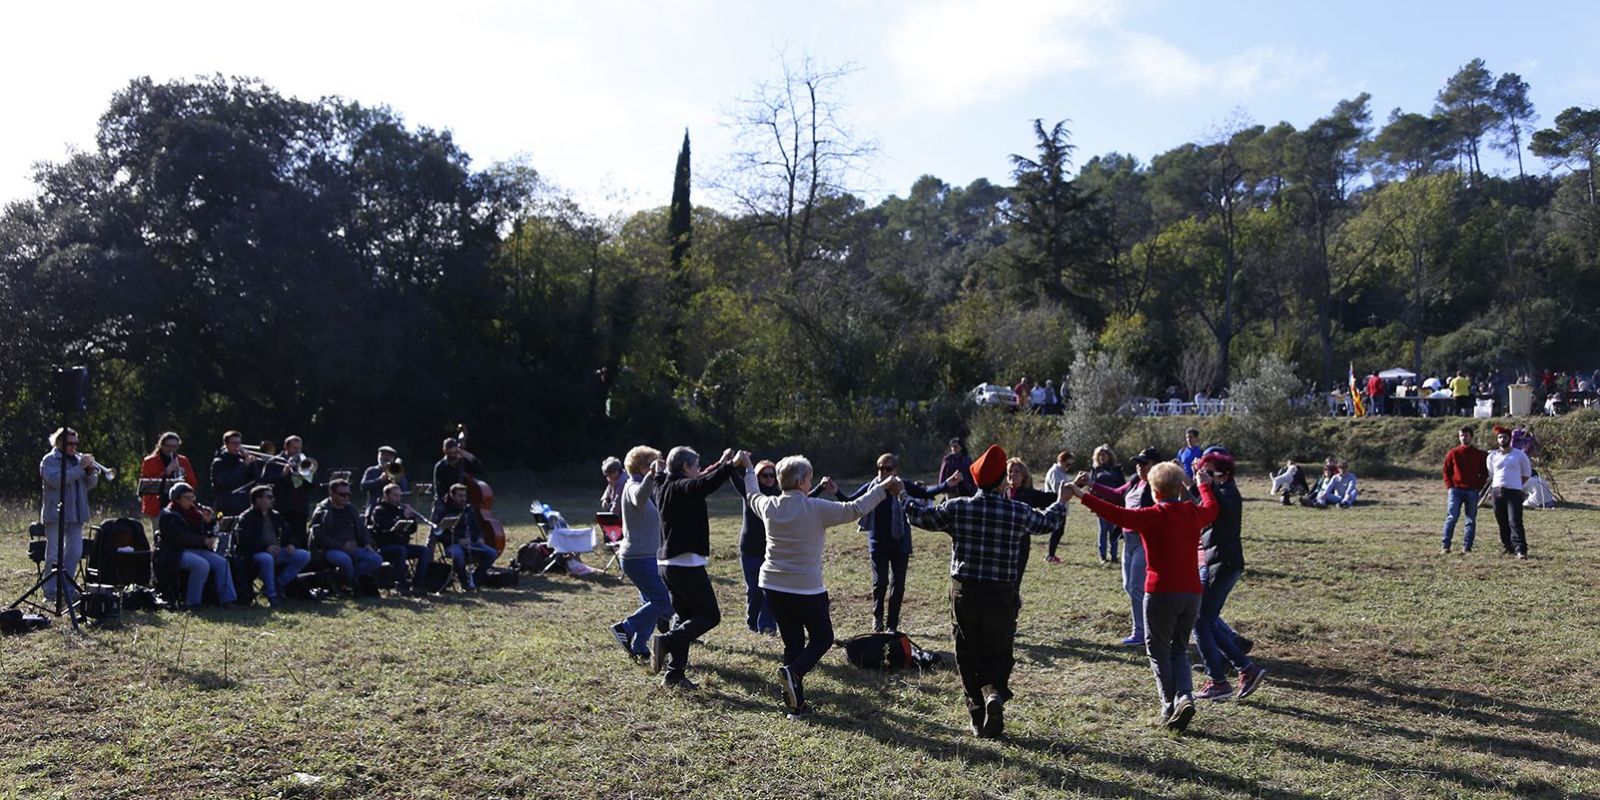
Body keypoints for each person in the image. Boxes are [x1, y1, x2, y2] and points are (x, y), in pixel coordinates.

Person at [905, 444, 1070, 738]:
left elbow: (920, 517)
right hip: (1002, 593)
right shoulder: (1017, 511)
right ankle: (994, 691)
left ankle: (977, 712)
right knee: (1000, 649)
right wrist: (1062, 500)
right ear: (1003, 482)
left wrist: (901, 495)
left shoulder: (959, 508)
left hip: (965, 590)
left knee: (966, 651)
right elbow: (1048, 522)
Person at [1067, 461, 1219, 733]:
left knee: (1158, 650)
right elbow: (1212, 508)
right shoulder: (1193, 513)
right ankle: (1185, 695)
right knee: (1179, 648)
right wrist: (1204, 485)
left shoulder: (1151, 515)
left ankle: (1169, 706)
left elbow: (1116, 514)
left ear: (1155, 491)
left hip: (1160, 593)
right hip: (1192, 593)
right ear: (1179, 487)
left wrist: (1081, 495)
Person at [746, 453, 894, 717]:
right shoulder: (816, 508)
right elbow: (855, 509)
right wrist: (883, 488)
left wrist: (747, 469)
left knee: (793, 644)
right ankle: (794, 672)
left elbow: (752, 495)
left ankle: (795, 705)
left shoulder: (769, 506)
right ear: (803, 481)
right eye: (809, 479)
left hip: (772, 586)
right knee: (823, 637)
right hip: (805, 589)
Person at [650, 445, 743, 689]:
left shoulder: (660, 486)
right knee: (710, 615)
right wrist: (730, 466)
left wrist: (721, 463)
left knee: (685, 617)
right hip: (685, 564)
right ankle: (667, 642)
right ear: (685, 467)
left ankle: (674, 675)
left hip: (666, 565)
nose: (699, 470)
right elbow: (704, 484)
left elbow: (698, 479)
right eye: (696, 466)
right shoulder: (684, 488)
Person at [838, 453, 951, 632]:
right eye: (880, 468)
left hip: (901, 543)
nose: (883, 472)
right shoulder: (873, 487)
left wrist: (947, 484)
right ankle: (877, 619)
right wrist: (834, 490)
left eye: (887, 468)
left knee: (898, 587)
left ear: (895, 470)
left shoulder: (902, 486)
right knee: (880, 583)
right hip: (878, 543)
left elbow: (926, 492)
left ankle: (892, 625)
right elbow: (849, 500)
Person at [1188, 451, 1268, 703]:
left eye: (1210, 472)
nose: (1205, 476)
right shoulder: (1218, 491)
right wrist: (1193, 484)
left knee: (1201, 622)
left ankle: (1223, 678)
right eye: (1203, 471)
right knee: (1205, 621)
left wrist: (1202, 484)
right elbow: (1204, 509)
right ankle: (1241, 669)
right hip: (1216, 563)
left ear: (1224, 473)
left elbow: (1216, 507)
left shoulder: (1228, 494)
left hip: (1223, 565)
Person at [1087, 447, 1161, 645]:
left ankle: (1143, 633)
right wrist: (1090, 484)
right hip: (1128, 541)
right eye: (1138, 463)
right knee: (1129, 586)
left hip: (1145, 541)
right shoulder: (1135, 482)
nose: (1139, 467)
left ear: (1155, 466)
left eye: (1144, 463)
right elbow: (1115, 494)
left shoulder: (1159, 487)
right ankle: (1145, 629)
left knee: (1137, 587)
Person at [610, 446, 673, 661]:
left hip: (644, 556)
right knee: (663, 600)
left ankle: (639, 645)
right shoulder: (632, 486)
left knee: (650, 601)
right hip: (638, 556)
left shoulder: (644, 485)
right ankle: (626, 628)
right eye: (654, 463)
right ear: (644, 466)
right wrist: (650, 476)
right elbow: (638, 497)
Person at [38, 427, 100, 605]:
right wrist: (81, 468)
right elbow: (56, 480)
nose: (74, 446)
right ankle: (49, 592)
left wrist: (90, 472)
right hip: (56, 514)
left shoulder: (77, 461)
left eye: (76, 443)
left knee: (74, 552)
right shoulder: (50, 460)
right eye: (70, 443)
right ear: (59, 443)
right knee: (54, 555)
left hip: (77, 514)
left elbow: (90, 484)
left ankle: (67, 589)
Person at [157, 483, 238, 609]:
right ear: (177, 498)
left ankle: (227, 599)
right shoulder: (169, 514)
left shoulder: (194, 514)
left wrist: (209, 522)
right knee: (201, 564)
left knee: (222, 562)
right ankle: (193, 602)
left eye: (192, 497)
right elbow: (178, 538)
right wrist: (203, 541)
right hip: (176, 552)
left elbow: (205, 532)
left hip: (196, 549)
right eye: (187, 497)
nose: (191, 501)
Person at [237, 484, 312, 607]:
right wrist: (265, 548)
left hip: (277, 551)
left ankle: (279, 583)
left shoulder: (276, 515)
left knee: (304, 555)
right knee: (267, 559)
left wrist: (290, 544)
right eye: (269, 497)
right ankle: (272, 596)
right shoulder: (246, 517)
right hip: (255, 554)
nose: (273, 500)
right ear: (258, 499)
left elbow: (289, 533)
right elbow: (245, 540)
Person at [733, 459, 783, 634]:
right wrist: (737, 462)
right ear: (757, 477)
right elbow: (734, 477)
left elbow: (804, 499)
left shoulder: (780, 494)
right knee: (754, 590)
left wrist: (821, 488)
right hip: (750, 548)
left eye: (772, 475)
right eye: (764, 475)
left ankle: (767, 626)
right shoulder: (751, 493)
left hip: (771, 548)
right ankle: (752, 622)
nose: (769, 478)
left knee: (769, 588)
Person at [310, 478, 383, 595]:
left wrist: (368, 543)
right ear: (331, 493)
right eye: (342, 494)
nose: (347, 497)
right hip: (330, 550)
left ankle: (345, 579)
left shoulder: (351, 509)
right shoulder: (322, 511)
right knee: (344, 559)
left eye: (348, 494)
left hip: (353, 548)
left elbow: (363, 529)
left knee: (376, 559)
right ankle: (354, 584)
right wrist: (341, 546)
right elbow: (319, 537)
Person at [367, 483, 435, 596]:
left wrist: (411, 518)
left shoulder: (400, 509)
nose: (398, 498)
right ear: (386, 495)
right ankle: (401, 584)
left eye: (399, 496)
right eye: (395, 495)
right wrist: (402, 517)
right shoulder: (379, 510)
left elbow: (412, 529)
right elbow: (385, 528)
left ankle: (418, 584)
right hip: (385, 547)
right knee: (400, 550)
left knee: (425, 551)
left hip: (402, 545)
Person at [433, 483, 499, 590]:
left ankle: (475, 580)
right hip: (453, 545)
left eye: (464, 496)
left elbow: (478, 528)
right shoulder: (443, 511)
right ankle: (464, 582)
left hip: (471, 544)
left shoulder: (468, 510)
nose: (463, 498)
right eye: (459, 496)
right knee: (458, 555)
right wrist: (458, 540)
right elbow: (438, 534)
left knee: (492, 553)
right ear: (452, 496)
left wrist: (480, 537)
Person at [1441, 426, 1489, 554]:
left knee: (1470, 520)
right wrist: (1449, 486)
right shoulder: (1453, 453)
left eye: (1466, 435)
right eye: (1461, 435)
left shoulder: (1479, 454)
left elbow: (1484, 473)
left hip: (1472, 491)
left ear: (1471, 437)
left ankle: (1467, 547)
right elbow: (1446, 471)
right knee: (1451, 517)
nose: (1463, 438)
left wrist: (1478, 486)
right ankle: (1445, 545)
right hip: (1456, 490)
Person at [1487, 426, 1533, 559]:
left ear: (1510, 438)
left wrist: (1516, 484)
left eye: (1505, 437)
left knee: (1515, 520)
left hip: (1514, 491)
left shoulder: (1519, 454)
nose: (1502, 440)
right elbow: (1492, 472)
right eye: (1500, 437)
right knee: (1502, 521)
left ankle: (1521, 549)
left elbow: (1526, 473)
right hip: (1497, 491)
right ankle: (1508, 546)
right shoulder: (1492, 456)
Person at [267, 436, 317, 550]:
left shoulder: (304, 462)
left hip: (300, 508)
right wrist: (282, 474)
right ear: (286, 447)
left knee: (301, 541)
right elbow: (264, 479)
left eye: (299, 449)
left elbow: (313, 486)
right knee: (283, 540)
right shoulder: (275, 461)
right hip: (282, 507)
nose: (298, 452)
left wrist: (306, 476)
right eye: (294, 449)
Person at [139, 432, 198, 520]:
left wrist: (184, 472)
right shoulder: (150, 462)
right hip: (158, 505)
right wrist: (166, 472)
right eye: (168, 446)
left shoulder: (183, 460)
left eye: (175, 447)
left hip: (180, 505)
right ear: (161, 445)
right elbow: (146, 486)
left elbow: (193, 483)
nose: (171, 449)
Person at [209, 430, 263, 516]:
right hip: (226, 506)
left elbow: (257, 478)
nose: (237, 446)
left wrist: (252, 464)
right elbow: (227, 482)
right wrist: (245, 465)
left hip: (244, 505)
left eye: (239, 443)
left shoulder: (241, 460)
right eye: (234, 443)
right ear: (226, 444)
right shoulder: (219, 462)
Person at [1088, 446, 1126, 564]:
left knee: (1114, 530)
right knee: (1103, 530)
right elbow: (1091, 487)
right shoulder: (1095, 470)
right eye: (1099, 455)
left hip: (1114, 503)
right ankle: (1103, 556)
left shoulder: (1116, 469)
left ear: (1109, 455)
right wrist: (1093, 504)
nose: (1102, 457)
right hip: (1101, 503)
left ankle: (1114, 555)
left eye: (1104, 454)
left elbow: (1122, 485)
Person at [431, 437, 483, 516]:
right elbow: (438, 489)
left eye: (454, 453)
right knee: (439, 508)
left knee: (470, 513)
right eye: (450, 453)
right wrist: (449, 499)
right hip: (446, 499)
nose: (452, 456)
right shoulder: (440, 466)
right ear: (444, 451)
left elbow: (479, 469)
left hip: (461, 498)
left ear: (457, 450)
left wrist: (468, 455)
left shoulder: (462, 462)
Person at [1042, 451, 1078, 564]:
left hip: (1062, 505)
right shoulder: (1055, 472)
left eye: (1071, 465)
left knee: (1059, 531)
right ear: (1060, 461)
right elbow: (1057, 490)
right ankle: (1050, 555)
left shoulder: (1061, 472)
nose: (1069, 467)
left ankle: (1051, 555)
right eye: (1067, 464)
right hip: (1055, 505)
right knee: (1057, 531)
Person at [359, 446, 408, 511]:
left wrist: (395, 478)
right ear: (378, 456)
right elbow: (363, 486)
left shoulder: (398, 472)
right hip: (374, 508)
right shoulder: (371, 470)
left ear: (393, 458)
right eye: (383, 454)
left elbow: (404, 489)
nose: (386, 457)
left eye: (389, 455)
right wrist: (379, 480)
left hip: (393, 509)